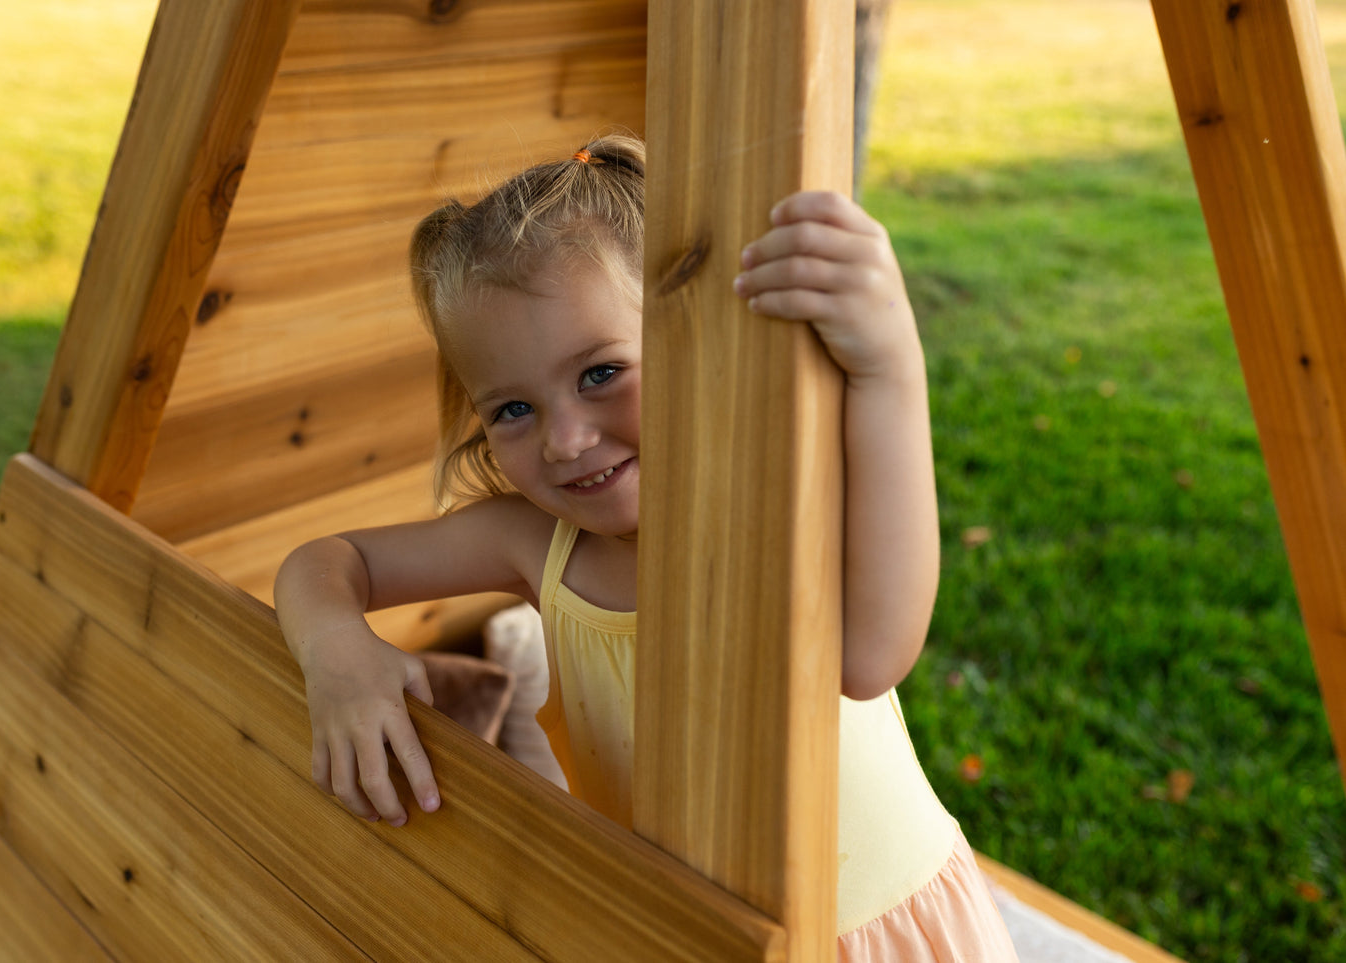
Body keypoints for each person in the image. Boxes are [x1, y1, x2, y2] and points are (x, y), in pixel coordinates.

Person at [274, 134, 1018, 960]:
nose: (563, 440)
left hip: (873, 936)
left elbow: (871, 654)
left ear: (691, 344)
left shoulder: (765, 499)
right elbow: (326, 560)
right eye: (510, 410)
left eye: (600, 373)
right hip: (677, 935)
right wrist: (335, 649)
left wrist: (887, 369)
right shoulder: (533, 542)